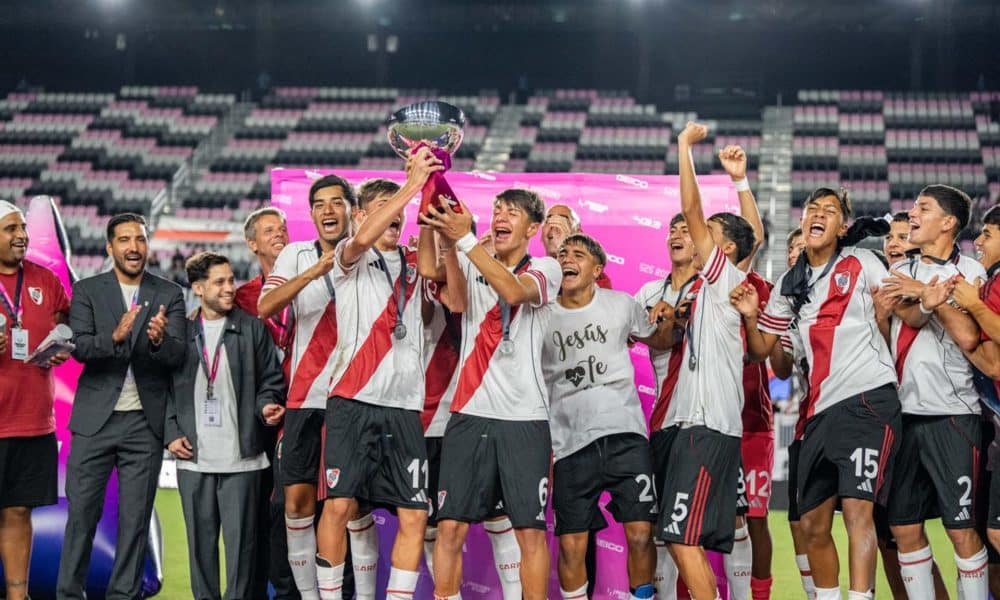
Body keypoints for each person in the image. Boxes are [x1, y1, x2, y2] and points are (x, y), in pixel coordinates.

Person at [735, 187, 902, 600]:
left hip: (868, 399)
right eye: (813, 208)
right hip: (819, 411)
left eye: (830, 210)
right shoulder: (789, 285)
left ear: (842, 227)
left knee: (858, 512)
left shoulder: (862, 262)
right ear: (803, 220)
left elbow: (898, 312)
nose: (819, 214)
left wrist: (887, 315)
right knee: (811, 524)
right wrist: (752, 318)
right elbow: (765, 353)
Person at [419, 187, 562, 600]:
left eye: (512, 212)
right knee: (449, 527)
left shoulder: (547, 268)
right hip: (468, 413)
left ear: (532, 229)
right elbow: (450, 294)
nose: (500, 216)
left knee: (529, 532)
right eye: (497, 209)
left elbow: (514, 292)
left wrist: (465, 240)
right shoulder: (471, 254)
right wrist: (444, 233)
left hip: (524, 418)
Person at [315, 158, 440, 600]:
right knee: (340, 506)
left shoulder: (414, 262)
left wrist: (427, 199)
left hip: (405, 406)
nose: (397, 213)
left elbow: (434, 276)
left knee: (415, 514)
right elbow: (363, 237)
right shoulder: (349, 254)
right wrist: (411, 185)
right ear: (362, 214)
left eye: (400, 208)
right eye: (386, 206)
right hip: (352, 399)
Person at [652, 123, 759, 600]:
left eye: (708, 236)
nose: (697, 238)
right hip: (698, 426)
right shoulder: (710, 287)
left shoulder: (721, 280)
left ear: (725, 250)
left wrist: (684, 147)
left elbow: (696, 211)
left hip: (707, 426)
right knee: (683, 538)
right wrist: (739, 181)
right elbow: (751, 236)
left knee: (680, 538)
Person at [57, 213, 187, 600]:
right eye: (125, 240)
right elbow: (79, 347)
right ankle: (69, 594)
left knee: (135, 522)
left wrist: (160, 341)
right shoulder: (86, 291)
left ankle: (123, 596)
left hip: (144, 426)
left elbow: (179, 355)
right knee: (81, 517)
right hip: (93, 423)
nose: (134, 247)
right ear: (110, 247)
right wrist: (112, 338)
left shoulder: (169, 293)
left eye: (140, 239)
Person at [541, 233, 673, 600]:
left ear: (597, 269)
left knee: (641, 535)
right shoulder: (542, 314)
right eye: (563, 253)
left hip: (626, 438)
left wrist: (666, 317)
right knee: (571, 546)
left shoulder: (621, 305)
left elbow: (660, 340)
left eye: (578, 254)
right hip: (570, 446)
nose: (567, 258)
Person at [258, 175, 367, 600]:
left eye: (336, 202)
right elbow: (266, 305)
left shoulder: (369, 253)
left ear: (351, 210)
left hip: (356, 397)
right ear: (311, 213)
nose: (327, 211)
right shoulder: (296, 253)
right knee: (296, 504)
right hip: (305, 396)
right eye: (319, 204)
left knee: (351, 507)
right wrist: (316, 270)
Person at [879, 185, 988, 599]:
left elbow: (969, 335)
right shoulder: (900, 271)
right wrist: (929, 299)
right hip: (904, 414)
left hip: (954, 414)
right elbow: (908, 314)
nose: (912, 214)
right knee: (903, 527)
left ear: (948, 222)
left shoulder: (972, 273)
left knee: (961, 530)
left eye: (923, 208)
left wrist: (928, 297)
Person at [166, 251, 287, 600]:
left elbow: (271, 380)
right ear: (198, 288)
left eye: (231, 280)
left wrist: (265, 406)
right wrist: (171, 433)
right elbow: (162, 390)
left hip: (243, 461)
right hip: (193, 460)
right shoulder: (181, 332)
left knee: (242, 557)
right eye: (219, 282)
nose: (229, 288)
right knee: (200, 554)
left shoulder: (252, 328)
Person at [0, 200, 71, 600]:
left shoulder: (45, 279)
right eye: (11, 229)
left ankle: (17, 595)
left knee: (17, 511)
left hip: (31, 421)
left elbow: (67, 322)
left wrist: (61, 344)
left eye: (23, 228)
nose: (21, 236)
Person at [633, 212, 701, 598]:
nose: (676, 235)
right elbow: (630, 335)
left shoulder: (709, 289)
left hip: (700, 420)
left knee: (692, 529)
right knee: (660, 527)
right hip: (662, 420)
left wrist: (669, 319)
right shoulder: (647, 292)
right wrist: (656, 323)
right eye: (672, 230)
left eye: (685, 230)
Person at [233, 206, 296, 599]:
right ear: (252, 244)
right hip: (259, 419)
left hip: (306, 411)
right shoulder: (242, 298)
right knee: (260, 514)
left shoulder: (310, 283)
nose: (279, 234)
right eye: (269, 230)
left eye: (283, 228)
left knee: (301, 509)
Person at [542, 203, 612, 289]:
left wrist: (565, 247)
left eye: (563, 221)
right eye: (548, 220)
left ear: (578, 234)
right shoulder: (533, 268)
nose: (554, 225)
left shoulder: (593, 275)